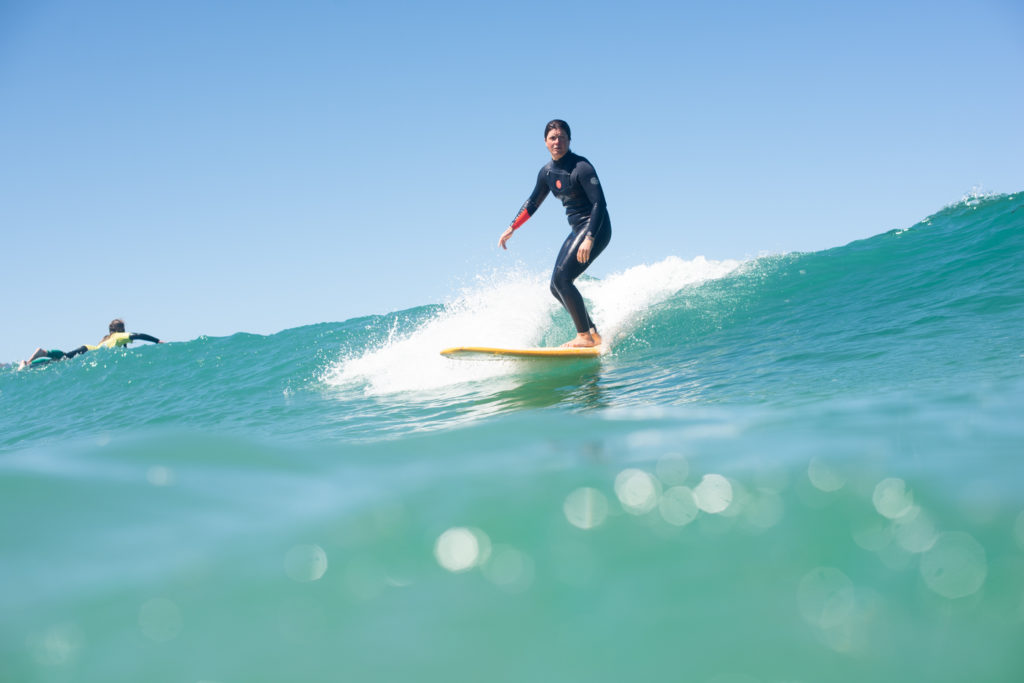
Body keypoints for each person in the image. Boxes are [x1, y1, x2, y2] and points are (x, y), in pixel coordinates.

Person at [498, 119, 612, 348]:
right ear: (545, 142)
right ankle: (592, 332)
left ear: (569, 140)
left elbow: (600, 203)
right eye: (552, 138)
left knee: (563, 278)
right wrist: (513, 226)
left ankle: (584, 337)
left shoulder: (582, 167)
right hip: (577, 229)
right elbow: (533, 202)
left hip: (596, 228)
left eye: (561, 137)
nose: (557, 142)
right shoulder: (547, 172)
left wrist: (589, 238)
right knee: (555, 285)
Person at [19, 319, 163, 369]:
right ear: (120, 329)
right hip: (88, 351)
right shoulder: (120, 336)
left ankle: (35, 360)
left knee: (62, 359)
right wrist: (157, 341)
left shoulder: (109, 338)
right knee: (63, 359)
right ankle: (42, 354)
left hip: (88, 348)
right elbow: (139, 335)